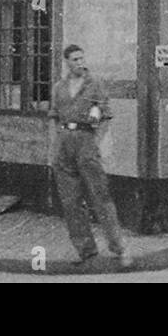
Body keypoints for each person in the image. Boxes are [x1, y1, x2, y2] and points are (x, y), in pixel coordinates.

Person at [48, 44, 132, 268]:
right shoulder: (59, 87)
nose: (79, 63)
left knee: (100, 197)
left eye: (81, 58)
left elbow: (105, 117)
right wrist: (56, 144)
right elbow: (54, 116)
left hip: (86, 140)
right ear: (66, 62)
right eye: (74, 59)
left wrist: (96, 142)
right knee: (71, 202)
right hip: (65, 142)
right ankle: (86, 252)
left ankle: (118, 247)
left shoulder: (94, 86)